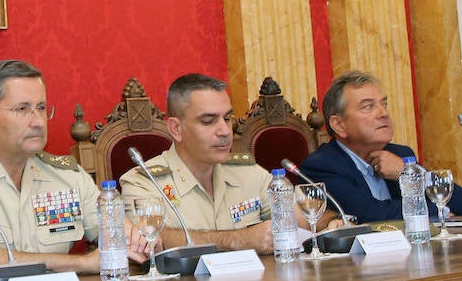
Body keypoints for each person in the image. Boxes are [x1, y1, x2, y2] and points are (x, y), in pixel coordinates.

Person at [0, 60, 153, 277]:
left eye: (41, 108)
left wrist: (136, 240)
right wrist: (84, 263)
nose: (38, 121)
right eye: (22, 109)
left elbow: (127, 240)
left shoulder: (67, 176)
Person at [120, 73, 326, 254]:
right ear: (175, 129)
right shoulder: (143, 182)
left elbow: (300, 215)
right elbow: (152, 238)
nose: (225, 131)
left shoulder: (248, 172)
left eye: (227, 119)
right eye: (208, 121)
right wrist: (238, 240)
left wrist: (330, 224)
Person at [296, 70, 462, 223]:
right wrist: (440, 211)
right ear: (339, 125)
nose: (383, 113)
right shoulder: (321, 167)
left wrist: (409, 173)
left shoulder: (400, 155)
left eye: (384, 104)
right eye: (368, 107)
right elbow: (369, 216)